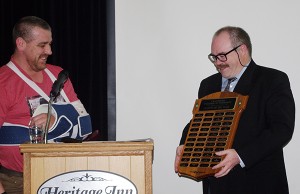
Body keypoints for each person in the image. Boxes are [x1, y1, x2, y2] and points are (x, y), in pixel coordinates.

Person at [174, 26, 295, 194]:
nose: (217, 62)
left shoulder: (272, 80)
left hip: (260, 185)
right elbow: (197, 122)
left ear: (242, 50)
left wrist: (240, 156)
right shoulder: (208, 85)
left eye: (222, 56)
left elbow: (281, 130)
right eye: (214, 57)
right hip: (216, 186)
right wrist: (184, 144)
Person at [0, 16, 92, 193]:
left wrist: (56, 119)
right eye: (42, 45)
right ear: (21, 44)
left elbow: (86, 125)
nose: (49, 51)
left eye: (50, 44)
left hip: (64, 177)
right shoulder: (3, 82)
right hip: (18, 182)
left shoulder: (58, 75)